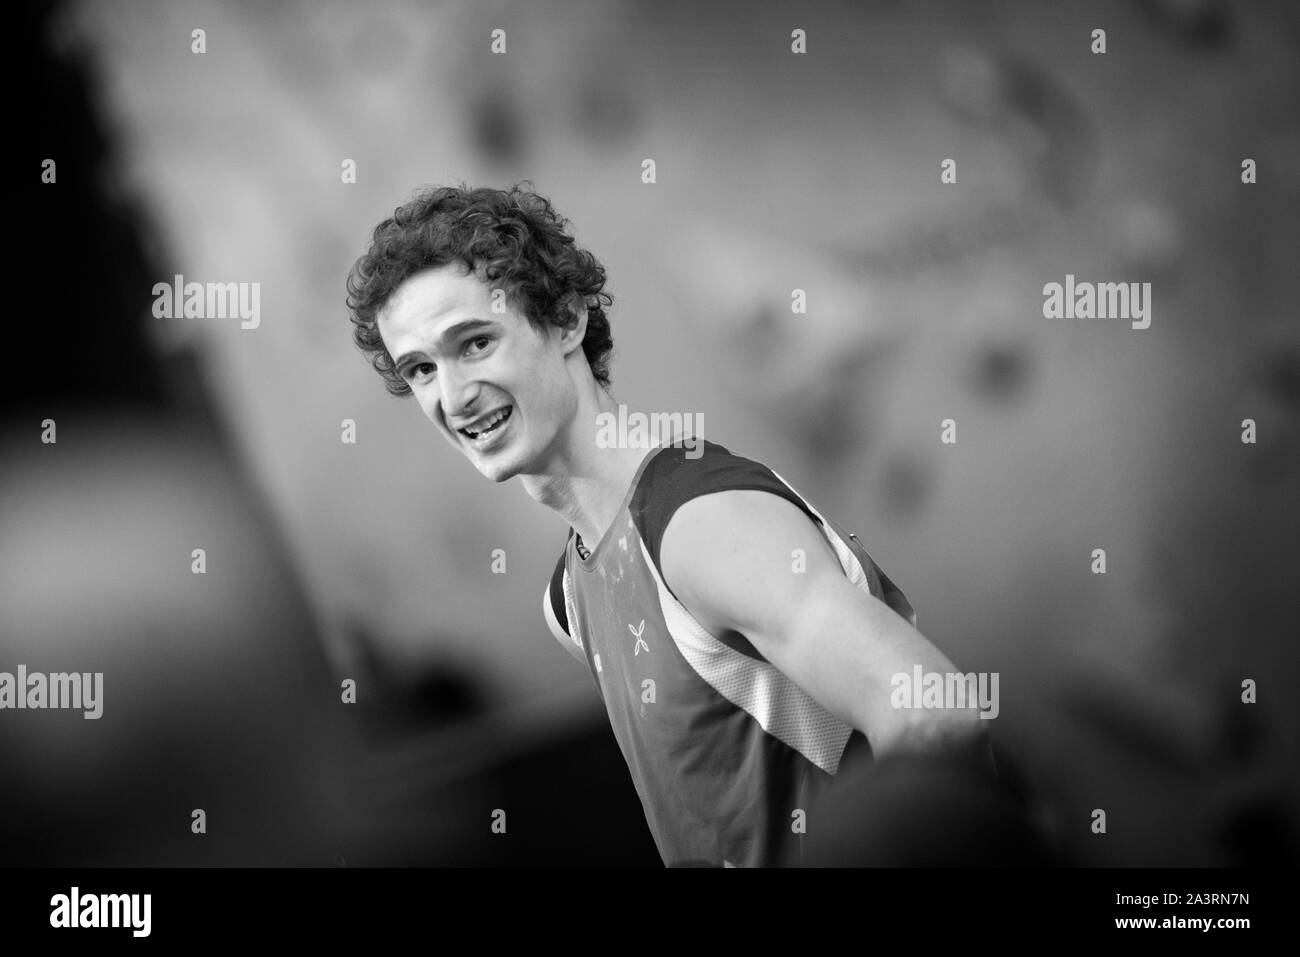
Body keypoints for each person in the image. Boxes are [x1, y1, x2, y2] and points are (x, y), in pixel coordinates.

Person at [346, 182, 992, 866]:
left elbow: (938, 716)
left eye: (474, 343)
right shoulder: (571, 596)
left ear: (565, 319)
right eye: (420, 369)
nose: (451, 394)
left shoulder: (696, 523)